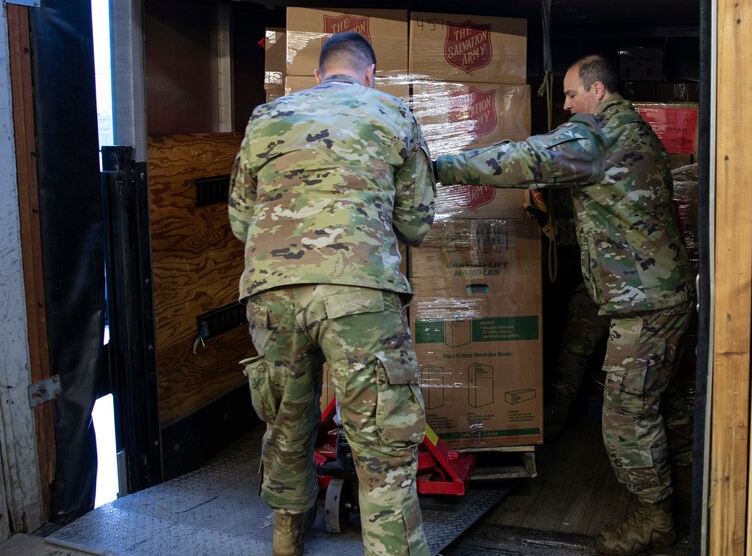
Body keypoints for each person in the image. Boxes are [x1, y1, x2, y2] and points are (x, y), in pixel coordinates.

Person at [434, 54, 695, 556]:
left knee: (626, 416)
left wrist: (440, 166)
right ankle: (684, 488)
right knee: (666, 401)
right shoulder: (634, 130)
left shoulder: (597, 136)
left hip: (643, 304)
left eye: (572, 94)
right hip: (656, 295)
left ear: (597, 91)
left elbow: (524, 159)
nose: (567, 105)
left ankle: (655, 518)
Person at [228, 31, 435, 556]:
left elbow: (239, 220)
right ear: (370, 74)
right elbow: (416, 223)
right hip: (359, 294)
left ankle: (286, 537)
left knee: (286, 418)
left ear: (317, 75)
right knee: (382, 441)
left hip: (272, 293)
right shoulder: (394, 113)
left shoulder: (265, 117)